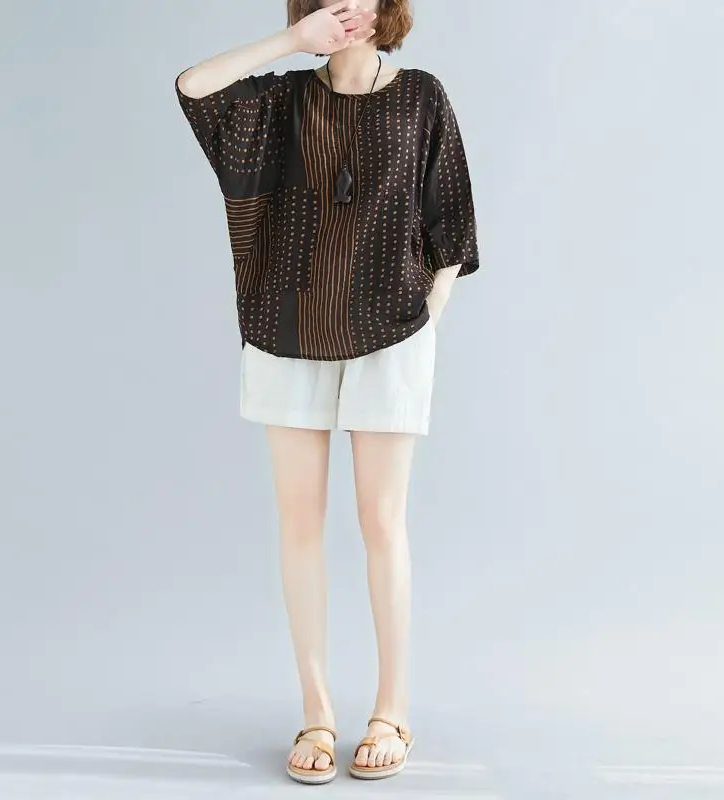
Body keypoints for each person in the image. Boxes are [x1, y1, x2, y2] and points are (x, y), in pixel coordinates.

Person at [175, 0, 479, 785]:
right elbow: (193, 88)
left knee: (381, 521)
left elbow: (452, 218)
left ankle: (392, 710)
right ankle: (316, 711)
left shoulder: (422, 96)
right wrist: (291, 42)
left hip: (393, 332)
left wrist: (430, 310)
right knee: (299, 522)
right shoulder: (280, 101)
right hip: (288, 327)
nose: (355, 10)